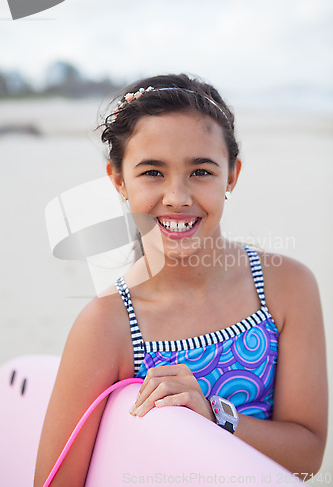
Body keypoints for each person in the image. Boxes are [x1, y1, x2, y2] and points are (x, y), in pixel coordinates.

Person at [34, 74, 328, 486]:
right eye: (152, 172)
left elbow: (308, 454)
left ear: (231, 176)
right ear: (118, 181)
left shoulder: (286, 287)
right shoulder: (107, 326)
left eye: (201, 171)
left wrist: (213, 414)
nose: (177, 196)